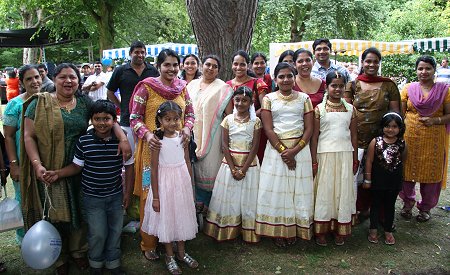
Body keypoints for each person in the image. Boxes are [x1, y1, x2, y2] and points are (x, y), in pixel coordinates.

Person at [21, 63, 131, 275]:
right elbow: (29, 136)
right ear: (54, 79)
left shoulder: (83, 102)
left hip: (81, 166)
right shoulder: (40, 103)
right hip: (51, 165)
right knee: (56, 212)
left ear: (79, 80)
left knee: (80, 212)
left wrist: (122, 137)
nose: (68, 81)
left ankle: (79, 252)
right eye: (63, 77)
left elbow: (105, 113)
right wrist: (37, 164)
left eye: (72, 77)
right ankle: (59, 257)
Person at [44, 100, 133, 275]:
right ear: (91, 120)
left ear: (114, 120)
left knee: (115, 231)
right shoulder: (84, 141)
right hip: (92, 198)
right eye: (97, 119)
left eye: (106, 119)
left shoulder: (122, 140)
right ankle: (96, 264)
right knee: (97, 233)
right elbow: (77, 166)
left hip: (115, 195)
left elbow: (129, 166)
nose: (102, 123)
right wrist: (58, 173)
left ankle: (113, 264)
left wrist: (127, 192)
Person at [129, 49, 195, 262]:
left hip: (175, 150)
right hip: (152, 151)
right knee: (151, 195)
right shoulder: (146, 87)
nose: (172, 69)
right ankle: (149, 243)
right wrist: (147, 135)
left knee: (175, 194)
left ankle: (176, 238)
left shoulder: (182, 88)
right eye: (167, 65)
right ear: (158, 66)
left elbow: (191, 114)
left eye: (176, 65)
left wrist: (187, 129)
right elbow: (134, 117)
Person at [255, 62, 314, 247]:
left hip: (300, 150)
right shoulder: (269, 99)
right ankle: (278, 230)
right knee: (277, 191)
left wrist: (294, 151)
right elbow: (268, 128)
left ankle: (296, 228)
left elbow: (309, 128)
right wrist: (283, 152)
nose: (286, 79)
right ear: (275, 79)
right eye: (281, 76)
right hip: (276, 151)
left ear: (294, 77)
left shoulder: (304, 98)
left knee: (298, 191)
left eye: (289, 76)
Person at [140, 101, 198, 275]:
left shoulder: (183, 137)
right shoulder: (157, 141)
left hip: (181, 182)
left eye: (176, 119)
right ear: (160, 119)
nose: (172, 123)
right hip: (164, 184)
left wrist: (190, 185)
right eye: (167, 119)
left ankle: (181, 253)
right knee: (167, 217)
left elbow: (187, 161)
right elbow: (155, 169)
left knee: (181, 215)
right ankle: (169, 255)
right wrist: (156, 196)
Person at [344, 47, 400, 220]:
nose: (371, 64)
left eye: (375, 61)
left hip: (382, 139)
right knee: (357, 176)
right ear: (362, 62)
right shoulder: (353, 84)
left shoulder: (389, 85)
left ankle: (382, 214)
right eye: (368, 61)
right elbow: (345, 111)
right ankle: (360, 209)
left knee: (380, 175)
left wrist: (393, 138)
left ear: (379, 63)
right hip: (357, 138)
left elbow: (395, 113)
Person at [204, 86, 262, 243]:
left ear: (251, 103)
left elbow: (255, 147)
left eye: (245, 100)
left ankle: (247, 230)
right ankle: (227, 228)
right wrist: (233, 168)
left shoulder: (256, 121)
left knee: (247, 198)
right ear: (233, 100)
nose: (240, 103)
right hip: (229, 165)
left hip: (249, 166)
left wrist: (243, 170)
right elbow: (224, 146)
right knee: (230, 196)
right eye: (237, 99)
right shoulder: (227, 120)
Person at [399, 55, 450, 222]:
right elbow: (401, 114)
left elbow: (449, 115)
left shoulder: (445, 90)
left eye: (428, 68)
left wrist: (435, 120)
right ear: (416, 70)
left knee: (431, 173)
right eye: (420, 68)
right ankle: (407, 203)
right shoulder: (408, 88)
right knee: (406, 171)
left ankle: (425, 208)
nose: (424, 71)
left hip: (434, 138)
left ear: (435, 70)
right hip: (410, 136)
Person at [310, 71, 358, 246]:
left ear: (345, 87)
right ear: (327, 87)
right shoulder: (319, 110)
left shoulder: (351, 109)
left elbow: (353, 136)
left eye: (340, 85)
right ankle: (321, 230)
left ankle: (340, 228)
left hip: (345, 155)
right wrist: (314, 160)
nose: (337, 89)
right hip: (325, 155)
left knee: (342, 190)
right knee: (325, 190)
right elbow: (314, 137)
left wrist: (354, 159)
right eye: (334, 85)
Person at [187, 55, 233, 213]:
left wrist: (227, 139)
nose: (210, 68)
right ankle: (196, 203)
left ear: (218, 70)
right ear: (202, 66)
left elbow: (229, 115)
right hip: (191, 134)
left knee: (210, 168)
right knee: (194, 169)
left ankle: (210, 207)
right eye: (208, 64)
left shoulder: (223, 88)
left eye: (215, 66)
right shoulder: (192, 85)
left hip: (213, 136)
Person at [3, 65, 42, 245]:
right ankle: (25, 239)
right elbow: (9, 137)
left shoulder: (47, 100)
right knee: (24, 199)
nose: (35, 81)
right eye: (29, 79)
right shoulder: (15, 105)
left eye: (37, 77)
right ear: (21, 83)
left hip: (44, 161)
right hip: (22, 160)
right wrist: (14, 164)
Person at [107, 40, 159, 155]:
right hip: (127, 120)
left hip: (149, 120)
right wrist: (121, 105)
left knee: (148, 156)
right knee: (130, 157)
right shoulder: (120, 71)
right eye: (136, 52)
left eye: (142, 52)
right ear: (130, 53)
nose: (140, 55)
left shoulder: (153, 71)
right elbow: (110, 92)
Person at [365, 113, 406, 245]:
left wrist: (402, 180)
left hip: (393, 182)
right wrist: (368, 179)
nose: (390, 129)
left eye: (394, 126)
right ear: (382, 127)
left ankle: (388, 230)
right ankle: (373, 229)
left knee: (390, 206)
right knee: (375, 205)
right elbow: (369, 161)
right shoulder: (375, 142)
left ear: (400, 128)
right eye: (387, 126)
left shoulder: (402, 143)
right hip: (378, 181)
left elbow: (403, 161)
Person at [226, 50, 269, 164]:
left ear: (248, 65)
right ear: (232, 65)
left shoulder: (257, 83)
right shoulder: (227, 85)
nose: (238, 67)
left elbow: (265, 106)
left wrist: (248, 118)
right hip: (233, 131)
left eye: (242, 64)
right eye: (235, 64)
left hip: (253, 129)